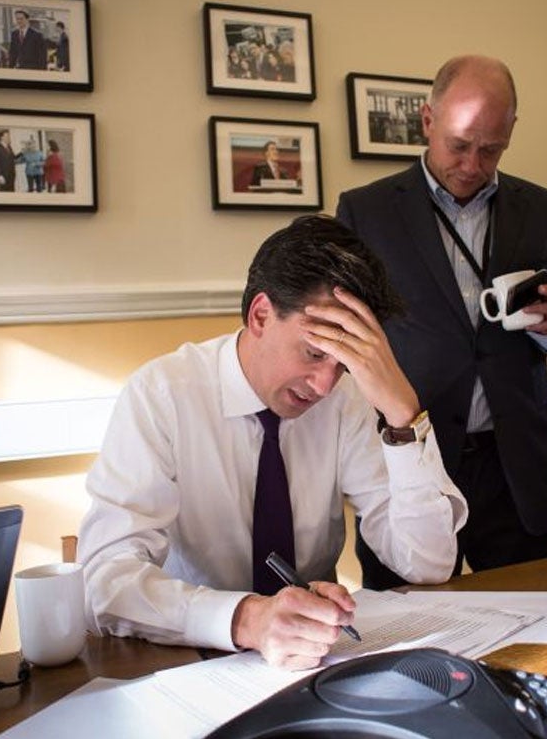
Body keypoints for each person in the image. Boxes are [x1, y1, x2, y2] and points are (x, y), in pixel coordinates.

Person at [77, 215, 467, 670]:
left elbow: (428, 563)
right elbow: (105, 580)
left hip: (313, 663)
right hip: (185, 662)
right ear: (260, 315)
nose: (323, 384)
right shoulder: (163, 394)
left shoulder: (345, 401)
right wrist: (247, 619)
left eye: (343, 363)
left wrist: (403, 415)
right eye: (315, 353)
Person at [337, 55, 547, 588]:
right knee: (410, 638)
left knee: (536, 623)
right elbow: (345, 331)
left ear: (510, 134)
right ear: (427, 121)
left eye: (491, 149)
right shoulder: (366, 212)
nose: (472, 164)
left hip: (518, 473)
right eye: (459, 145)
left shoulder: (546, 211)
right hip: (414, 467)